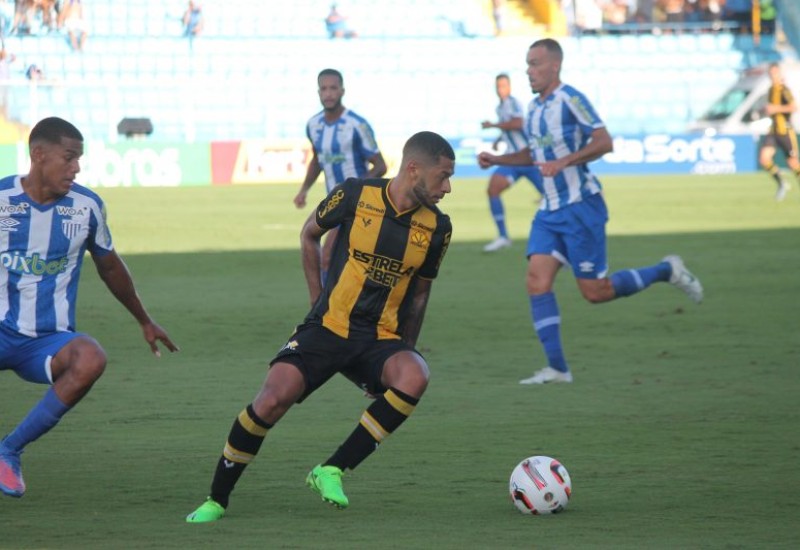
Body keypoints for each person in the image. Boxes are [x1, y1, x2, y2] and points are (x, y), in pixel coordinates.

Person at [186, 131, 455, 523]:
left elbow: (419, 294)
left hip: (379, 338)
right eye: (443, 176)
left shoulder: (438, 228)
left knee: (415, 374)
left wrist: (405, 349)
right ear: (414, 169)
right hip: (328, 325)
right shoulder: (354, 194)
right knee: (272, 399)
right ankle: (217, 499)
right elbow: (309, 234)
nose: (447, 187)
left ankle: (331, 470)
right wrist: (317, 302)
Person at [478, 39, 703, 385]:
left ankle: (666, 270)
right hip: (551, 211)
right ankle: (558, 369)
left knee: (595, 292)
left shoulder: (571, 99)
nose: (529, 70)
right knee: (537, 281)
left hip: (581, 208)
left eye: (535, 63)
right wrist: (498, 159)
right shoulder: (535, 109)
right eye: (527, 64)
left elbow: (604, 140)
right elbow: (534, 156)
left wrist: (565, 160)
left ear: (554, 66)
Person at [0, 117, 178, 498]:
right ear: (38, 155)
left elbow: (109, 264)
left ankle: (9, 450)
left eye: (79, 159)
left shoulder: (86, 207)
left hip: (48, 340)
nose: (76, 167)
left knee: (91, 358)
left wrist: (144, 320)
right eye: (69, 158)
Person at [294, 68, 386, 284]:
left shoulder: (356, 125)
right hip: (333, 202)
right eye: (323, 89)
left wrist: (355, 189)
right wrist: (304, 190)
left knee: (328, 256)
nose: (328, 93)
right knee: (311, 240)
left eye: (333, 88)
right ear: (318, 92)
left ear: (342, 91)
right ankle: (325, 307)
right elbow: (318, 160)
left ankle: (323, 310)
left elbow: (380, 166)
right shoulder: (313, 125)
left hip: (356, 204)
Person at [480, 73, 540, 252]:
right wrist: (500, 138)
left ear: (510, 87)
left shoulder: (513, 103)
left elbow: (517, 123)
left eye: (504, 86)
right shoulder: (500, 107)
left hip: (528, 159)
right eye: (498, 86)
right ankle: (503, 236)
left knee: (554, 198)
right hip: (512, 160)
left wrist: (494, 126)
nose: (501, 89)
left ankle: (567, 244)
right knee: (493, 189)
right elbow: (510, 127)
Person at [758, 63, 799, 201]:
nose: (773, 76)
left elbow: (793, 107)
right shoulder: (770, 90)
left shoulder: (784, 90)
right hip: (773, 131)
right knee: (764, 159)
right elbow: (771, 109)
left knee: (793, 163)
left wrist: (775, 108)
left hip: (785, 131)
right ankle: (781, 182)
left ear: (779, 74)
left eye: (775, 73)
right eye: (771, 73)